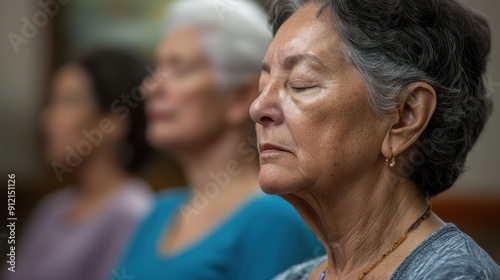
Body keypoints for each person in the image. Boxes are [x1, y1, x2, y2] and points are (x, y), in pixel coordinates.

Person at [249, 0, 500, 279]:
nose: (258, 108)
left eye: (300, 83)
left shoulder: (455, 274)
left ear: (406, 116)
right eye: (263, 86)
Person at [113, 1, 323, 279]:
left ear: (240, 96)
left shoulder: (273, 221)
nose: (151, 87)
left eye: (180, 69)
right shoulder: (158, 211)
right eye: (156, 69)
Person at [5, 50, 153, 280]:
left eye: (70, 102)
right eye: (52, 101)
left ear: (112, 124)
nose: (49, 118)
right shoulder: (53, 208)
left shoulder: (131, 213)